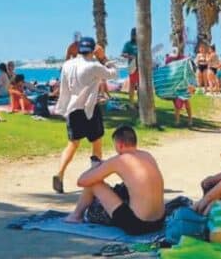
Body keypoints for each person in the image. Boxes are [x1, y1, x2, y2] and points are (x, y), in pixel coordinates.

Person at [64, 126, 165, 236]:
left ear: (120, 145)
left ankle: (76, 216)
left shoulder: (120, 159)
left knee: (94, 183)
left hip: (138, 225)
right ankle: (77, 215)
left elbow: (82, 181)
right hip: (159, 222)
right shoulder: (147, 155)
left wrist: (95, 167)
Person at [53, 36, 119, 194]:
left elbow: (63, 87)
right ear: (93, 50)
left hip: (72, 108)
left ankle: (59, 173)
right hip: (89, 108)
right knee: (96, 142)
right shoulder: (94, 65)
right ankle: (95, 177)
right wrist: (104, 57)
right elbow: (113, 74)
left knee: (72, 143)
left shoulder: (68, 65)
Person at [165, 48, 194, 126]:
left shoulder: (184, 58)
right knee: (176, 102)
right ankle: (177, 121)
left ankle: (190, 120)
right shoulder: (169, 59)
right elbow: (167, 69)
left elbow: (189, 69)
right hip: (175, 83)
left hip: (184, 83)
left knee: (186, 101)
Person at [122, 28, 138, 103]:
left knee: (141, 86)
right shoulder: (128, 44)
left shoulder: (142, 43)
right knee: (132, 85)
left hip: (141, 67)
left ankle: (140, 102)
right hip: (132, 66)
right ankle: (131, 102)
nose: (135, 36)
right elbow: (123, 54)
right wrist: (131, 56)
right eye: (134, 35)